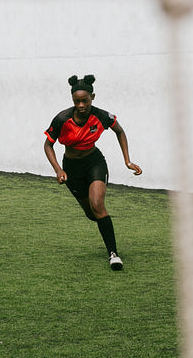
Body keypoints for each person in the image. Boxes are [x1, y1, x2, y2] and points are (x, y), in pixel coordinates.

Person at [43, 74, 141, 270]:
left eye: (85, 100)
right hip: (71, 169)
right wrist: (58, 169)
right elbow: (48, 145)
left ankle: (113, 254)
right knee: (92, 214)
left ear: (92, 97)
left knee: (98, 205)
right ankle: (104, 227)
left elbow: (119, 131)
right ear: (73, 100)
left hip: (94, 163)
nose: (81, 105)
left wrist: (127, 160)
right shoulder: (62, 119)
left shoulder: (101, 116)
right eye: (77, 101)